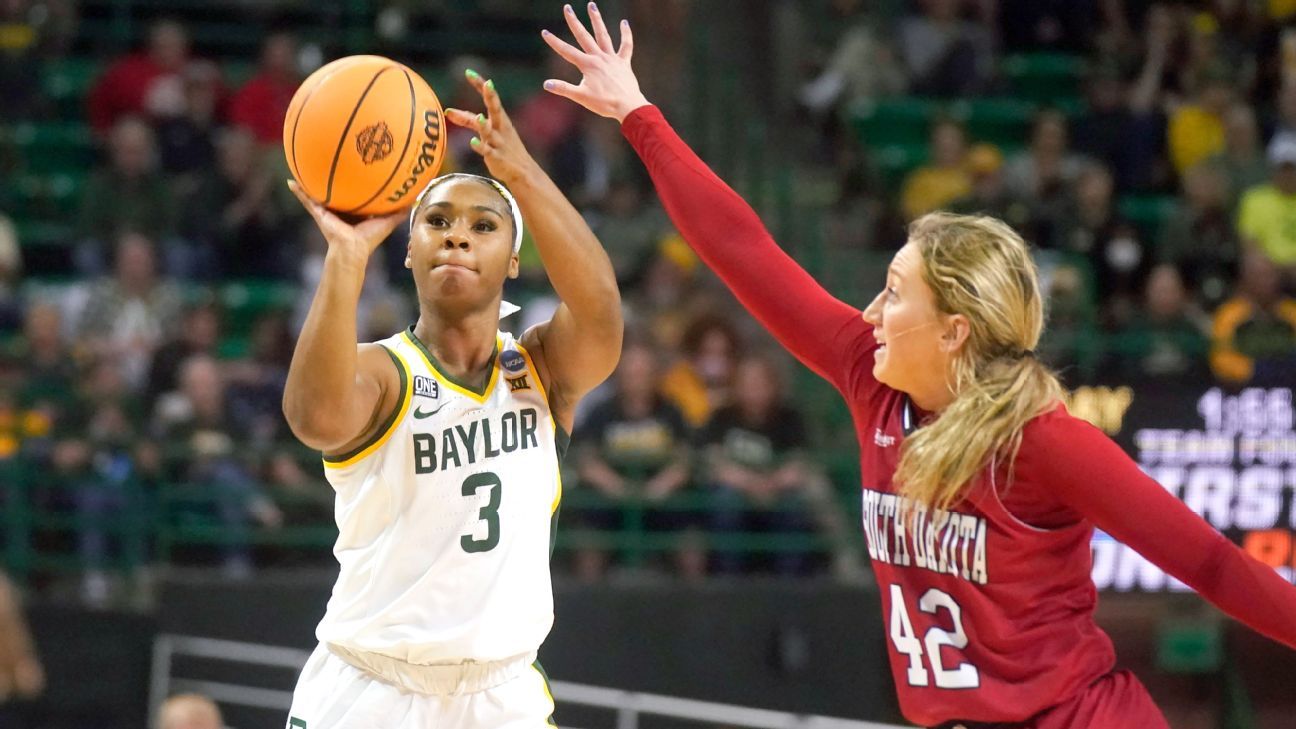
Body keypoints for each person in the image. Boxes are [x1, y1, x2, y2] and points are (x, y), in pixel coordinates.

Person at [541, 5, 1296, 728]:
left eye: (894, 292)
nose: (869, 310)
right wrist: (639, 114)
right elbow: (743, 250)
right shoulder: (870, 378)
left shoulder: (1041, 441)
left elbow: (1213, 564)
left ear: (954, 332)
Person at [281, 67, 622, 728]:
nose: (459, 234)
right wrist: (346, 256)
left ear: (514, 259)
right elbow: (312, 416)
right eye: (437, 220)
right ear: (409, 250)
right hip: (372, 691)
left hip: (502, 695)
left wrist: (520, 171)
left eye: (484, 224)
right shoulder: (381, 371)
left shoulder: (543, 367)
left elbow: (602, 313)